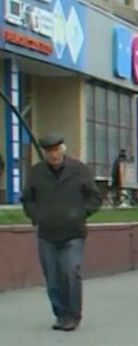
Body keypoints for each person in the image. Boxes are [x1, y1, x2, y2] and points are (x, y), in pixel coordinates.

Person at [21, 134, 102, 331]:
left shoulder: (79, 170)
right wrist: (36, 215)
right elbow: (28, 199)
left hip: (73, 232)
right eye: (49, 152)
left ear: (63, 150)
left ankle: (73, 316)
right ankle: (60, 314)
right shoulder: (37, 173)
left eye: (57, 150)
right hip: (47, 233)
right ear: (45, 153)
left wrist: (81, 213)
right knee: (53, 278)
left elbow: (95, 197)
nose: (53, 155)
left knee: (70, 271)